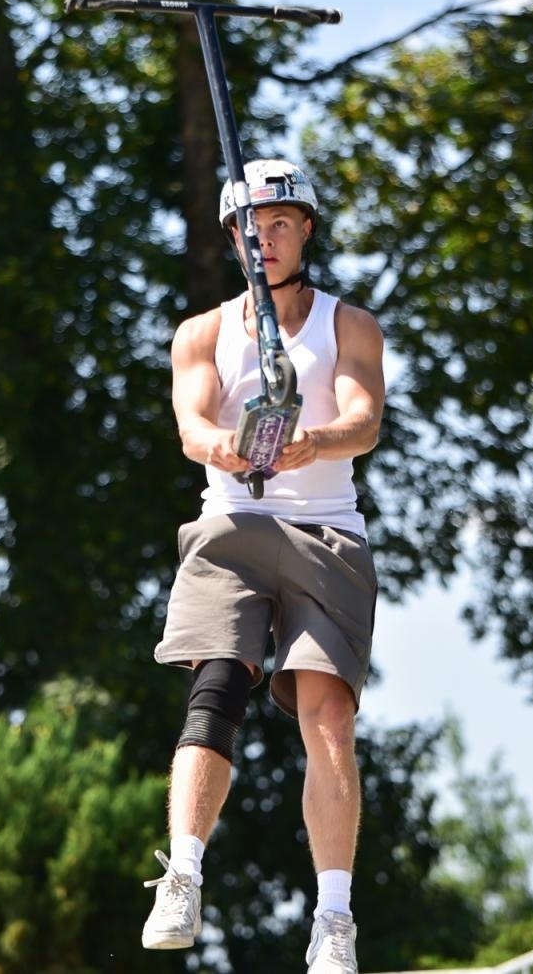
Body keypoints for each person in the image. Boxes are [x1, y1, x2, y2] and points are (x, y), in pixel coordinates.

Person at [142, 158, 385, 974]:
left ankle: (334, 920)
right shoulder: (200, 334)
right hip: (233, 524)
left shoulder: (350, 325)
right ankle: (182, 875)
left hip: (327, 533)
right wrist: (234, 449)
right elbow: (193, 429)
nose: (267, 239)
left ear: (306, 230)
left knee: (328, 716)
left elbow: (363, 419)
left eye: (281, 224)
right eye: (252, 227)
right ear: (233, 239)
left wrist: (313, 441)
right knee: (217, 686)